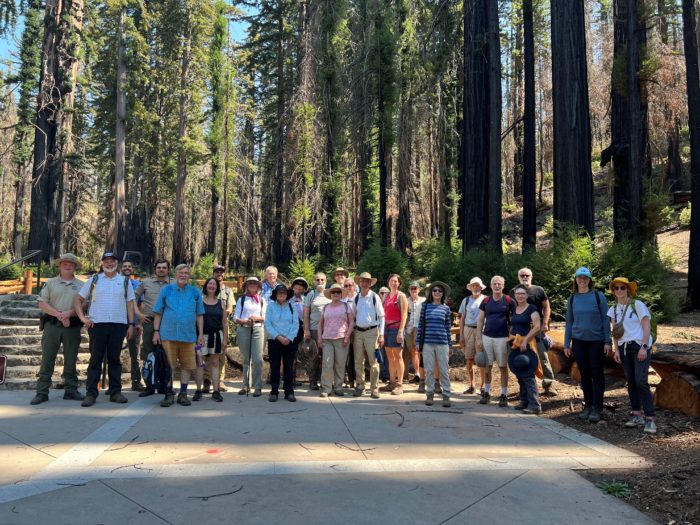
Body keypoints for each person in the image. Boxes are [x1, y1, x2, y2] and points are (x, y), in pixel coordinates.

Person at [75, 252, 136, 407]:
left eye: (112, 261)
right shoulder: (94, 280)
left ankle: (115, 392)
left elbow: (130, 304)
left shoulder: (125, 281)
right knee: (95, 359)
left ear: (117, 263)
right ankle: (91, 393)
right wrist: (83, 318)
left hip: (118, 325)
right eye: (106, 261)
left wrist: (130, 324)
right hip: (97, 325)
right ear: (102, 263)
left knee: (115, 359)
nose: (109, 264)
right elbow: (78, 299)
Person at [30, 253, 85, 405]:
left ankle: (71, 390)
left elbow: (85, 305)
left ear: (75, 267)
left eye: (71, 264)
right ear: (60, 265)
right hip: (52, 325)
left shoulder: (81, 285)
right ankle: (42, 392)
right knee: (47, 359)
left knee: (71, 359)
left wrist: (69, 314)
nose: (68, 266)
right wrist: (60, 315)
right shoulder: (51, 283)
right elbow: (41, 303)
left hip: (72, 326)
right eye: (65, 263)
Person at [152, 263, 205, 407]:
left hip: (188, 335)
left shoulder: (195, 292)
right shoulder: (166, 290)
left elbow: (200, 315)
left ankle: (183, 394)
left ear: (189, 276)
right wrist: (156, 332)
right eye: (181, 272)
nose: (183, 275)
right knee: (168, 366)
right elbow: (158, 312)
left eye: (186, 273)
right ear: (175, 275)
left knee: (187, 366)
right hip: (168, 334)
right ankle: (168, 394)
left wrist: (200, 334)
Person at [608, 277, 656, 434]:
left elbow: (646, 326)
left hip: (639, 346)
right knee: (631, 381)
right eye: (616, 288)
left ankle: (650, 419)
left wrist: (644, 347)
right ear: (613, 291)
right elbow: (615, 331)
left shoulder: (637, 305)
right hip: (624, 348)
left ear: (628, 289)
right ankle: (636, 414)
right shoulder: (614, 308)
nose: (619, 290)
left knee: (641, 381)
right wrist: (616, 350)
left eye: (622, 287)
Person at [564, 267, 611, 424]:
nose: (582, 280)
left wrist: (607, 341)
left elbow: (606, 320)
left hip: (596, 341)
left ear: (590, 280)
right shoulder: (572, 299)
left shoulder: (598, 297)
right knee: (584, 374)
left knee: (596, 374)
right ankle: (588, 405)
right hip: (579, 342)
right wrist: (566, 343)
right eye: (579, 277)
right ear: (576, 280)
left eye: (585, 277)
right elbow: (569, 322)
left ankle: (597, 408)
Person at [509, 267, 558, 396]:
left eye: (527, 275)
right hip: (519, 332)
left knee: (543, 357)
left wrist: (545, 323)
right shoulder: (514, 291)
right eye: (522, 275)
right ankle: (524, 389)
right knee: (521, 358)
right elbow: (512, 311)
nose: (525, 277)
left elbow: (547, 307)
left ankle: (548, 385)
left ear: (531, 276)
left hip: (537, 330)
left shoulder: (539, 290)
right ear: (518, 276)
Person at [134, 259, 172, 397]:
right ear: (155, 269)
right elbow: (132, 298)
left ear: (168, 269)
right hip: (149, 321)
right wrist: (138, 314)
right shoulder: (145, 283)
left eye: (164, 267)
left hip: (169, 322)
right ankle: (149, 386)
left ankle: (165, 385)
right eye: (159, 267)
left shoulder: (174, 283)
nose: (161, 270)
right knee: (149, 353)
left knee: (168, 354)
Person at [476, 275, 514, 407]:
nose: (497, 286)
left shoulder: (509, 301)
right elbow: (480, 320)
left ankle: (504, 395)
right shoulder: (486, 301)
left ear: (503, 286)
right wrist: (478, 337)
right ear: (491, 285)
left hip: (503, 338)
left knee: (503, 367)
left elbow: (515, 319)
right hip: (487, 337)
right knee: (487, 366)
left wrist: (511, 336)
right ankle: (486, 393)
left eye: (499, 284)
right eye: (495, 284)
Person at [417, 282, 453, 407]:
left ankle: (446, 395)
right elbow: (421, 326)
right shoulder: (425, 307)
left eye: (440, 291)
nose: (437, 292)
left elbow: (448, 328)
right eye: (435, 290)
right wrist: (418, 342)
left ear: (443, 294)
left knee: (444, 370)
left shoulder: (446, 309)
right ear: (431, 293)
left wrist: (450, 345)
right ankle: (430, 394)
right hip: (427, 343)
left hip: (442, 343)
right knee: (430, 370)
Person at [318, 283, 355, 397]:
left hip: (341, 339)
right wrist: (319, 338)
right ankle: (326, 388)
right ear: (330, 294)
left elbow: (351, 322)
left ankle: (338, 387)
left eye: (338, 292)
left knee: (340, 364)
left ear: (341, 294)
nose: (335, 294)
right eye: (333, 292)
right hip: (327, 339)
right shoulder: (325, 307)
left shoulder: (346, 306)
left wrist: (347, 336)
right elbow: (320, 324)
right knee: (327, 364)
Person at [352, 272, 385, 399]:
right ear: (359, 283)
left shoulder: (374, 297)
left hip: (372, 332)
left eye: (367, 281)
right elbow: (353, 315)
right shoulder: (356, 298)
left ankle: (374, 388)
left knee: (374, 361)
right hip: (358, 332)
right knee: (358, 360)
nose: (364, 283)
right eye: (362, 281)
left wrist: (381, 334)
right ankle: (360, 386)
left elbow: (382, 316)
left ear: (370, 283)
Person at [510, 284, 542, 414]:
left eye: (523, 293)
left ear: (527, 295)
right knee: (519, 373)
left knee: (528, 374)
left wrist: (525, 340)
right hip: (515, 344)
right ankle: (524, 401)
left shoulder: (531, 309)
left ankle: (535, 405)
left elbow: (537, 326)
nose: (520, 296)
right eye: (518, 293)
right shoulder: (515, 309)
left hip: (527, 344)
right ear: (515, 295)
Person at [265, 283, 299, 402]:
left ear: (287, 294)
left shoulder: (292, 306)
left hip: (289, 341)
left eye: (284, 292)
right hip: (274, 340)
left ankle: (289, 391)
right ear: (275, 294)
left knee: (288, 367)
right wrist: (278, 337)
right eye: (279, 292)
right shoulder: (270, 306)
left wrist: (289, 338)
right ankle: (274, 391)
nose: (282, 294)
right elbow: (267, 324)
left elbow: (296, 324)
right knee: (274, 366)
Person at [233, 277, 266, 397]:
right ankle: (245, 385)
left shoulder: (262, 300)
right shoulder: (241, 299)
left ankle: (258, 386)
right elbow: (235, 317)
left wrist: (256, 318)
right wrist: (245, 321)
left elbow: (266, 317)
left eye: (255, 284)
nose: (252, 285)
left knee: (258, 359)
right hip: (243, 329)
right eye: (250, 283)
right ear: (246, 286)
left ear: (258, 286)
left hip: (258, 329)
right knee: (246, 359)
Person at [203, 264, 234, 393]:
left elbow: (231, 307)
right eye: (217, 272)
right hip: (206, 327)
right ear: (213, 273)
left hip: (221, 326)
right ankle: (206, 380)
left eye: (221, 272)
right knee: (205, 355)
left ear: (224, 274)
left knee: (220, 355)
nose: (219, 274)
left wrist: (222, 314)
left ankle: (220, 380)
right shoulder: (207, 287)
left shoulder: (227, 291)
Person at [198, 277, 228, 402]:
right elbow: (198, 318)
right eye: (209, 283)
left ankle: (215, 391)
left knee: (215, 363)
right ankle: (198, 390)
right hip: (201, 337)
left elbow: (225, 323)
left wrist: (225, 339)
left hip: (217, 336)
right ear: (206, 286)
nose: (212, 286)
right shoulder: (200, 301)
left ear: (217, 287)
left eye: (214, 284)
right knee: (200, 363)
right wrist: (199, 335)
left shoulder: (222, 303)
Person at [458, 277, 487, 395]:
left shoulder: (486, 300)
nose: (475, 287)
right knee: (469, 359)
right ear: (470, 287)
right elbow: (462, 319)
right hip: (468, 329)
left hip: (482, 331)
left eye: (477, 285)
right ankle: (472, 385)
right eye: (473, 285)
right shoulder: (465, 301)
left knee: (481, 359)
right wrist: (461, 336)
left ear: (481, 287)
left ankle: (484, 386)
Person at [302, 273, 331, 390]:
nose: (320, 282)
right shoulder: (311, 295)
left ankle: (326, 382)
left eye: (322, 279)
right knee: (314, 357)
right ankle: (313, 381)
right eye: (317, 280)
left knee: (327, 357)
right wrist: (306, 330)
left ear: (326, 280)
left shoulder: (330, 294)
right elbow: (305, 314)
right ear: (314, 281)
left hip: (329, 330)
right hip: (314, 329)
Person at [381, 274, 408, 395]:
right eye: (392, 281)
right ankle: (392, 382)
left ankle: (400, 384)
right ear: (388, 283)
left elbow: (404, 315)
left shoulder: (401, 296)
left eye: (396, 281)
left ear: (399, 283)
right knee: (390, 357)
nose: (394, 283)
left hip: (396, 328)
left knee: (398, 357)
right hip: (386, 329)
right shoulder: (386, 296)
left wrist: (401, 331)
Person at [121, 260, 145, 391]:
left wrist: (140, 323)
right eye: (125, 266)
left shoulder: (137, 285)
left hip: (134, 323)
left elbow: (142, 304)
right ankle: (114, 383)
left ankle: (136, 381)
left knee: (135, 354)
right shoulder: (116, 283)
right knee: (113, 353)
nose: (127, 268)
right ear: (121, 268)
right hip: (118, 322)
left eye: (129, 266)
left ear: (132, 269)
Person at [404, 281, 425, 385]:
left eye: (415, 288)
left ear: (419, 289)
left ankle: (421, 374)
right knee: (412, 351)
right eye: (411, 288)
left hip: (421, 330)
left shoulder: (423, 301)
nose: (413, 290)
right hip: (408, 330)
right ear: (409, 290)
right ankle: (415, 374)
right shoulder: (406, 301)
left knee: (420, 351)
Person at [289, 277, 308, 386]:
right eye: (296, 288)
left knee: (296, 353)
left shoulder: (305, 299)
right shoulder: (288, 299)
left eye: (300, 288)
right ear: (293, 288)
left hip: (300, 327)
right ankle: (288, 377)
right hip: (290, 328)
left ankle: (293, 378)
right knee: (290, 353)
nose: (298, 290)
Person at [342, 277, 358, 389]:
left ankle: (359, 380)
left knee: (359, 356)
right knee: (348, 357)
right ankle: (351, 380)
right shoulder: (343, 300)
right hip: (347, 330)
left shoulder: (360, 298)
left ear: (354, 286)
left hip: (359, 329)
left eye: (350, 285)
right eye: (346, 286)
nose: (348, 288)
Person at [377, 286, 391, 382]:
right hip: (379, 331)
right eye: (382, 293)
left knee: (389, 353)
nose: (384, 295)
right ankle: (383, 375)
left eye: (386, 293)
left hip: (390, 330)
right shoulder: (376, 304)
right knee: (380, 353)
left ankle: (389, 374)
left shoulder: (391, 304)